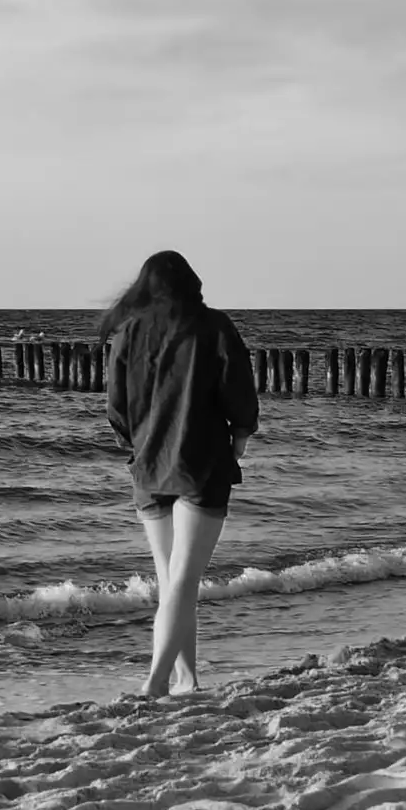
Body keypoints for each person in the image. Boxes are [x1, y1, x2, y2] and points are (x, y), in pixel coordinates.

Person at [100, 251, 258, 698]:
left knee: (171, 582)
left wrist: (136, 444)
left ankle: (187, 681)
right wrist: (241, 434)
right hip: (201, 463)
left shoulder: (128, 333)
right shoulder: (214, 326)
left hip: (148, 467)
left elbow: (116, 406)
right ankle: (155, 683)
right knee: (183, 581)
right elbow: (238, 390)